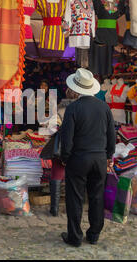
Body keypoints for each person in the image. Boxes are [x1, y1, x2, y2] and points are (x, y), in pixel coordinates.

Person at [60, 68, 116, 247]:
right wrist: (109, 155)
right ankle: (93, 235)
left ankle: (75, 236)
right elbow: (111, 135)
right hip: (99, 159)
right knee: (96, 197)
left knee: (75, 198)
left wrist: (65, 157)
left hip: (78, 158)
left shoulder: (73, 108)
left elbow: (66, 138)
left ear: (76, 88)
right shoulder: (104, 107)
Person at [49, 88, 79, 216]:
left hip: (60, 148)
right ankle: (69, 208)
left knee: (56, 174)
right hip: (76, 147)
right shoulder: (80, 110)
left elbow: (51, 129)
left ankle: (54, 209)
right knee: (72, 178)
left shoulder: (59, 110)